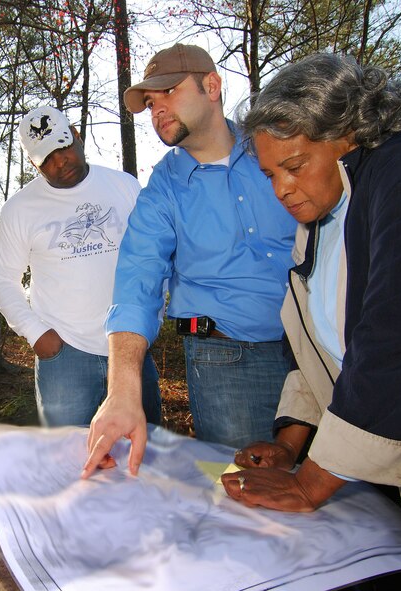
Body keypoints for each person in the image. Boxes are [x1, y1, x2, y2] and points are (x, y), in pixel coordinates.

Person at [222, 53, 401, 590]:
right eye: (269, 174)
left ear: (348, 132)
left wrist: (311, 484)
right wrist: (290, 442)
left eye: (295, 164)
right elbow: (321, 349)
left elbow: (398, 346)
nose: (281, 188)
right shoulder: (322, 222)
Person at [83, 44, 296, 477]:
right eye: (149, 102)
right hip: (228, 361)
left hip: (323, 350)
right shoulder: (162, 188)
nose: (155, 109)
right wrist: (123, 389)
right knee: (251, 498)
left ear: (212, 86)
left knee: (350, 496)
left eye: (168, 93)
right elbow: (137, 279)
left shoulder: (278, 146)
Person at [0, 106, 161, 427]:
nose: (59, 162)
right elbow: (2, 279)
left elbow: (153, 258)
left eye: (63, 147)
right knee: (66, 464)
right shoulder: (19, 209)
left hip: (130, 347)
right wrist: (37, 334)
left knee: (145, 456)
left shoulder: (124, 187)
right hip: (64, 356)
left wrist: (149, 322)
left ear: (77, 136)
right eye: (45, 158)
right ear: (32, 163)